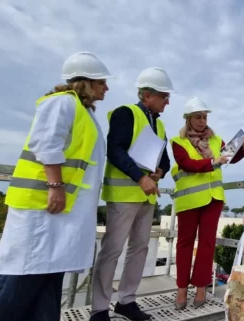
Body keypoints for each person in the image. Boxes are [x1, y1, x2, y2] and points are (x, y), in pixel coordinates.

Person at [0, 51, 114, 321]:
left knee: (47, 273)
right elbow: (45, 144)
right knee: (20, 274)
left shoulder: (83, 111)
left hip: (63, 208)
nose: (106, 87)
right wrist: (55, 186)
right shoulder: (62, 103)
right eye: (102, 82)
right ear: (86, 82)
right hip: (42, 203)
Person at [90, 67, 173, 321]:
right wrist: (140, 177)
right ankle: (99, 309)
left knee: (139, 249)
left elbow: (165, 159)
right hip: (124, 195)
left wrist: (160, 172)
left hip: (146, 197)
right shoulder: (126, 114)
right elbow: (115, 150)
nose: (167, 101)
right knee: (112, 249)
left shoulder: (158, 125)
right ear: (147, 96)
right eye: (163, 96)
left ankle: (126, 301)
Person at [170, 96, 244, 309]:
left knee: (207, 244)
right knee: (184, 244)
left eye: (204, 117)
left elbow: (229, 157)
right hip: (189, 201)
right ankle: (181, 290)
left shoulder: (216, 140)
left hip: (213, 199)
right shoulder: (178, 142)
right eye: (197, 117)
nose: (202, 121)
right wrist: (211, 162)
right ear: (188, 119)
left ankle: (200, 289)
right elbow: (186, 163)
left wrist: (243, 147)